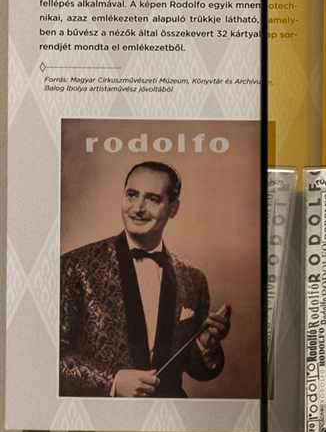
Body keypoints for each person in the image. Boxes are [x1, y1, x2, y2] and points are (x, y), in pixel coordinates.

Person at [59, 160, 231, 398]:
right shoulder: (75, 265)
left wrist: (205, 344)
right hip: (101, 413)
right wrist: (113, 381)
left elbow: (198, 370)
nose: (138, 208)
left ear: (173, 208)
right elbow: (50, 356)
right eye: (132, 195)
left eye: (152, 198)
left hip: (168, 413)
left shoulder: (194, 279)